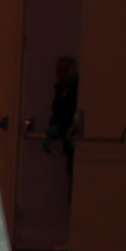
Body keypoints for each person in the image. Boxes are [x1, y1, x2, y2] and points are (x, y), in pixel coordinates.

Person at [43, 55, 79, 190]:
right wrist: (53, 128)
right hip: (68, 142)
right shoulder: (60, 90)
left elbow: (71, 116)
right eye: (59, 71)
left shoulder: (77, 91)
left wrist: (59, 129)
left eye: (65, 71)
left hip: (74, 142)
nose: (62, 75)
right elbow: (57, 111)